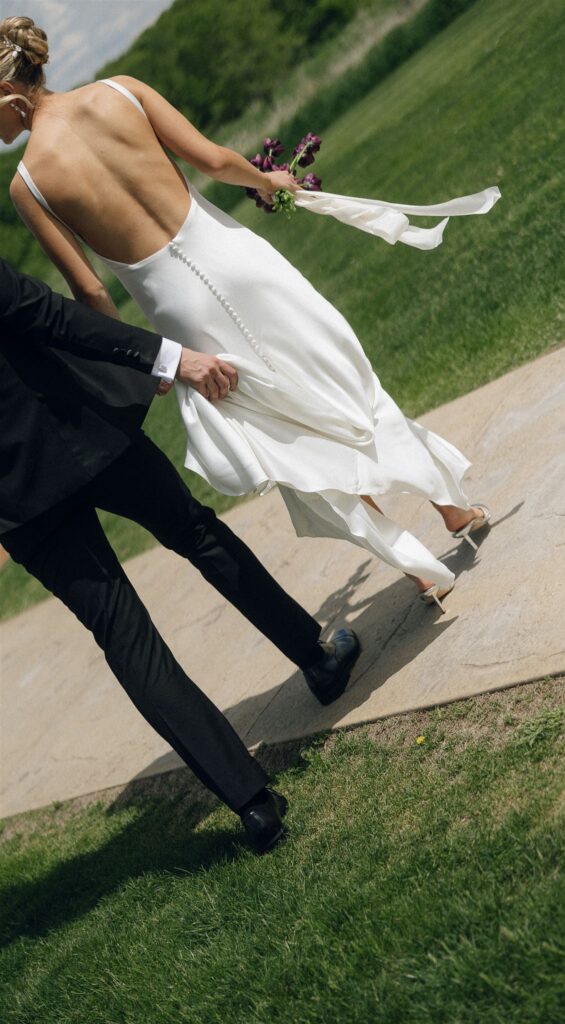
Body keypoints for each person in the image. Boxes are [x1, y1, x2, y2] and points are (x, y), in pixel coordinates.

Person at [0, 17, 491, 616]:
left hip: (181, 316)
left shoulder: (28, 187)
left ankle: (419, 569)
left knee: (284, 436)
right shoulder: (122, 91)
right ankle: (453, 508)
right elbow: (212, 160)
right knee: (341, 378)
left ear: (12, 98)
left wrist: (145, 363)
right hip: (241, 260)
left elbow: (92, 295)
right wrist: (270, 181)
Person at [0, 253, 361, 853]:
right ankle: (317, 660)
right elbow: (52, 318)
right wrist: (167, 357)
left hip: (19, 497)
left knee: (122, 633)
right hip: (81, 432)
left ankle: (252, 805)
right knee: (196, 533)